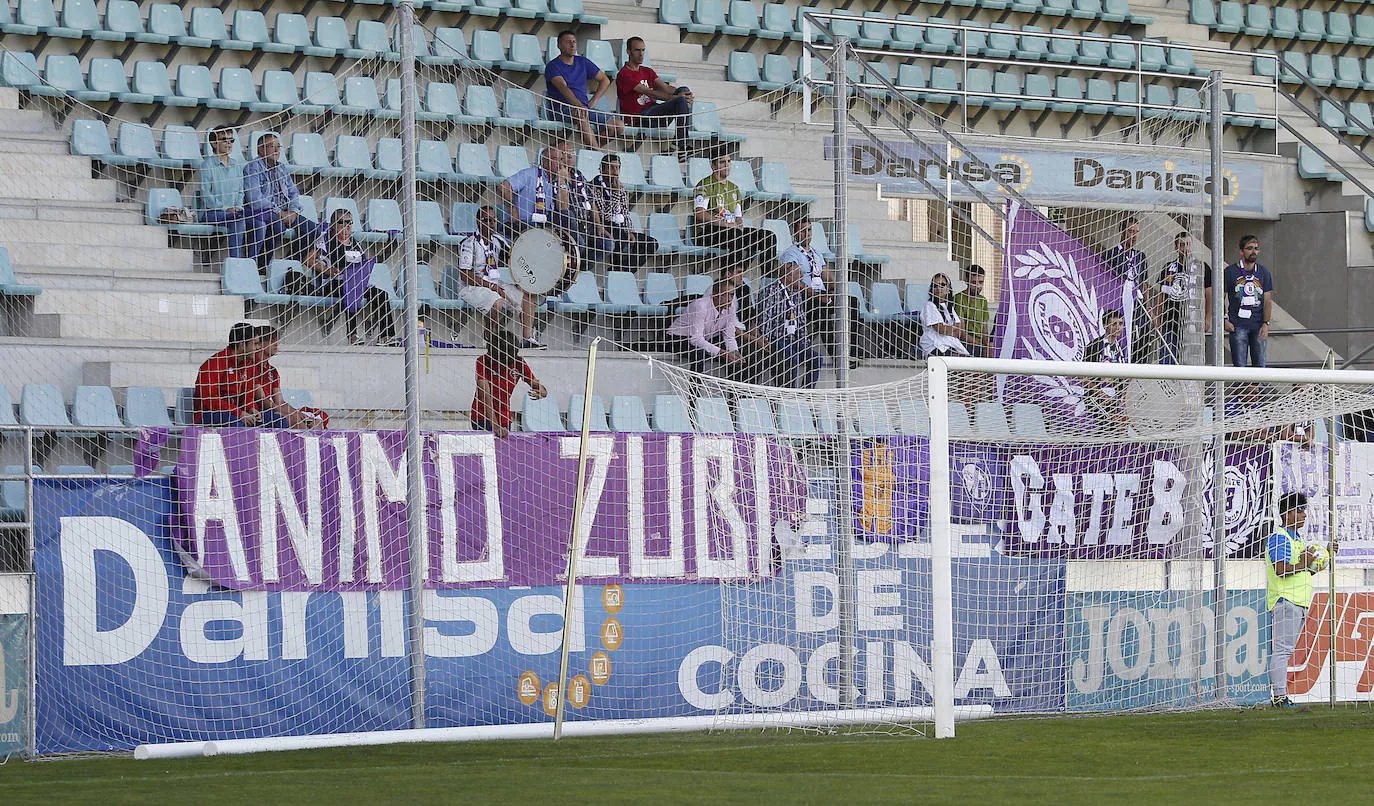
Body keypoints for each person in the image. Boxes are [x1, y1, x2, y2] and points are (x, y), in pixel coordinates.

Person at [1267, 492, 1333, 708]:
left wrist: (1319, 563)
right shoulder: (1280, 538)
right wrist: (1305, 564)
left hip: (1298, 601)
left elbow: (1302, 571)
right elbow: (1280, 569)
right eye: (1300, 510)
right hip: (1286, 600)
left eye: (1305, 510)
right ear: (1287, 514)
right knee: (1282, 650)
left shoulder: (1297, 539)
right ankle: (1279, 697)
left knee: (1285, 650)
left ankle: (1281, 696)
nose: (1304, 514)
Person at [299, 208, 400, 346]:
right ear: (334, 225)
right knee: (351, 289)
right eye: (342, 222)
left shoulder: (355, 243)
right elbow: (308, 260)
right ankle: (352, 335)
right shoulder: (326, 240)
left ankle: (387, 336)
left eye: (349, 222)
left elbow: (363, 263)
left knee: (381, 294)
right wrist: (329, 270)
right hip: (333, 283)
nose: (346, 226)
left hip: (356, 282)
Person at [457, 206, 544, 350]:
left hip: (494, 284)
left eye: (493, 219)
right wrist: (492, 287)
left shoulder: (498, 240)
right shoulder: (469, 243)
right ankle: (490, 338)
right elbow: (464, 275)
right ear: (479, 222)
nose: (491, 223)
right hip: (471, 288)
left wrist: (525, 240)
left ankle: (528, 338)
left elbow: (514, 255)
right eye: (487, 220)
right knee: (496, 301)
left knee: (526, 295)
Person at [243, 133, 317, 266]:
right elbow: (254, 198)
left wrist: (293, 211)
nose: (277, 150)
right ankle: (261, 266)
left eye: (278, 146)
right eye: (272, 146)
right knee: (278, 226)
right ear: (261, 149)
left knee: (313, 230)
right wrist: (279, 213)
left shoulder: (281, 167)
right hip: (265, 211)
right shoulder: (252, 167)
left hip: (286, 212)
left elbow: (293, 192)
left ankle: (290, 263)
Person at [666, 273, 757, 381]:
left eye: (732, 295)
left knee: (740, 355)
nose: (729, 299)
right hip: (677, 339)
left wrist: (734, 352)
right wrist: (722, 353)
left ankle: (734, 395)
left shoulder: (730, 309)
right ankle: (693, 394)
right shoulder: (700, 306)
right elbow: (696, 339)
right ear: (714, 294)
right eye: (725, 295)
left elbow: (729, 337)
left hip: (702, 338)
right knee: (699, 354)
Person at [543, 30, 624, 149]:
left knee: (619, 125)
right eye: (568, 42)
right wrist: (578, 105)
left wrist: (594, 101)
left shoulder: (582, 61)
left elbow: (604, 80)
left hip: (584, 108)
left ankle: (593, 149)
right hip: (561, 109)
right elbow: (563, 87)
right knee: (582, 116)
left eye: (574, 42)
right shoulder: (553, 66)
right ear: (559, 45)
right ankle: (597, 155)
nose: (572, 45)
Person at [615, 36, 694, 155]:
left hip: (655, 113)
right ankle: (682, 145)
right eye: (637, 50)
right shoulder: (624, 74)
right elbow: (650, 92)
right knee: (680, 101)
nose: (641, 54)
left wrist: (685, 94)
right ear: (628, 51)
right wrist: (679, 98)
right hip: (640, 118)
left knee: (684, 90)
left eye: (643, 50)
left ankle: (678, 143)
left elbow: (667, 88)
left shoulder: (647, 71)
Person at [692, 151, 770, 271]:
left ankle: (768, 281)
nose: (726, 165)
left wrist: (739, 225)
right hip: (708, 232)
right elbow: (699, 213)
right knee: (735, 235)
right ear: (713, 166)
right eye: (722, 162)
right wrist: (725, 224)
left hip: (730, 231)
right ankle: (731, 278)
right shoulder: (704, 185)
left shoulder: (734, 188)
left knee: (768, 237)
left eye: (728, 161)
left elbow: (738, 217)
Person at [471, 325, 548, 438]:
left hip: (504, 419)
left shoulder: (518, 363)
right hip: (481, 417)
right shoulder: (483, 361)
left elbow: (537, 385)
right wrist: (495, 426)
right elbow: (485, 396)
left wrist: (541, 391)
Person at [758, 256, 822, 389]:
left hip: (794, 339)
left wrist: (805, 343)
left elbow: (801, 320)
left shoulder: (796, 292)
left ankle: (806, 392)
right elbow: (765, 319)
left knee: (816, 358)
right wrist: (767, 340)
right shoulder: (771, 291)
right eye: (798, 274)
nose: (801, 278)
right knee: (792, 357)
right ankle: (790, 393)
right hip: (776, 339)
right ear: (787, 276)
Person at [591, 154, 657, 270]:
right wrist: (615, 193)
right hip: (603, 227)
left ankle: (625, 270)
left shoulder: (619, 187)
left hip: (619, 227)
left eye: (618, 168)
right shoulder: (594, 186)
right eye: (612, 168)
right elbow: (606, 216)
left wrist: (630, 231)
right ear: (602, 169)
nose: (616, 172)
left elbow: (625, 213)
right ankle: (617, 269)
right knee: (620, 239)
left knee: (651, 243)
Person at [1103, 216, 1152, 363]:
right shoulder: (1111, 255)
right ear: (1122, 232)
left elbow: (1144, 284)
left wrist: (1148, 307)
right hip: (1119, 305)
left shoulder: (1141, 256)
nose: (1134, 236)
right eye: (1131, 232)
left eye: (1136, 232)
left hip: (1137, 306)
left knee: (1140, 341)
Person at [1157, 231, 1211, 365]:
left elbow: (1209, 295)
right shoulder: (1168, 267)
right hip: (1170, 321)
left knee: (1192, 361)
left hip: (1193, 322)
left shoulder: (1202, 267)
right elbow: (1161, 295)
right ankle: (1168, 385)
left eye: (1188, 244)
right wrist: (1158, 318)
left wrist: (1207, 318)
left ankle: (1191, 386)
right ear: (1176, 247)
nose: (1185, 248)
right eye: (1182, 245)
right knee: (1167, 359)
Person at [193, 322, 261, 427]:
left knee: (276, 420)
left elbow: (247, 397)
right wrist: (239, 413)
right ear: (242, 344)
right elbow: (210, 400)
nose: (258, 348)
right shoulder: (214, 363)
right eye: (255, 344)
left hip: (239, 414)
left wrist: (252, 408)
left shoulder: (249, 365)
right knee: (237, 424)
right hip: (209, 414)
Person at [195, 125, 246, 259]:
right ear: (214, 143)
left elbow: (241, 192)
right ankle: (236, 262)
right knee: (239, 220)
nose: (229, 143)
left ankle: (255, 264)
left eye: (231, 140)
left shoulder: (236, 165)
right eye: (224, 140)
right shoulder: (207, 165)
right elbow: (205, 194)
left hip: (234, 212)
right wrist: (225, 208)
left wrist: (238, 207)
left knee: (259, 224)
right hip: (212, 212)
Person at [1223, 234, 1274, 368]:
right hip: (1237, 325)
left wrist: (1266, 323)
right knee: (1240, 367)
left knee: (1260, 366)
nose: (1253, 252)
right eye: (1249, 248)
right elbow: (1219, 298)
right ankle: (1241, 389)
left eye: (1256, 248)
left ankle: (1260, 389)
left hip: (1258, 325)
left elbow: (1267, 301)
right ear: (1241, 251)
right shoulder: (1230, 272)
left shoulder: (1264, 272)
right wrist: (1224, 320)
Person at [247, 325, 311, 429]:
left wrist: (297, 412)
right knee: (291, 418)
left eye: (276, 341)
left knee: (314, 421)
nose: (276, 345)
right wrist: (289, 414)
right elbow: (262, 401)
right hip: (257, 412)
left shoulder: (272, 370)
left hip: (271, 410)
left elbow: (280, 401)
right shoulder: (251, 366)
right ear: (260, 344)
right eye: (272, 341)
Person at [1083, 309, 1127, 429]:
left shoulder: (1122, 349)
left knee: (1121, 428)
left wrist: (1124, 396)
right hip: (1095, 396)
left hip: (1115, 398)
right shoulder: (1094, 346)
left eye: (1120, 324)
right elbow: (1082, 376)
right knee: (1111, 426)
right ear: (1105, 326)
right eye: (1114, 324)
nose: (1118, 327)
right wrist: (1100, 394)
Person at [919, 272, 969, 358]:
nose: (939, 288)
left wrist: (950, 330)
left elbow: (960, 329)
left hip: (949, 343)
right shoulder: (929, 305)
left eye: (942, 285)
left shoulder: (949, 307)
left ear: (948, 288)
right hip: (934, 345)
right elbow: (940, 329)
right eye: (935, 286)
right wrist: (952, 330)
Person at [952, 264, 991, 359]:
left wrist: (987, 344)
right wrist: (980, 345)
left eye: (981, 282)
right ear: (966, 281)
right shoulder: (959, 298)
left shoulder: (983, 300)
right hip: (965, 343)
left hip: (980, 343)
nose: (978, 286)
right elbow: (961, 332)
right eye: (974, 282)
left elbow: (984, 329)